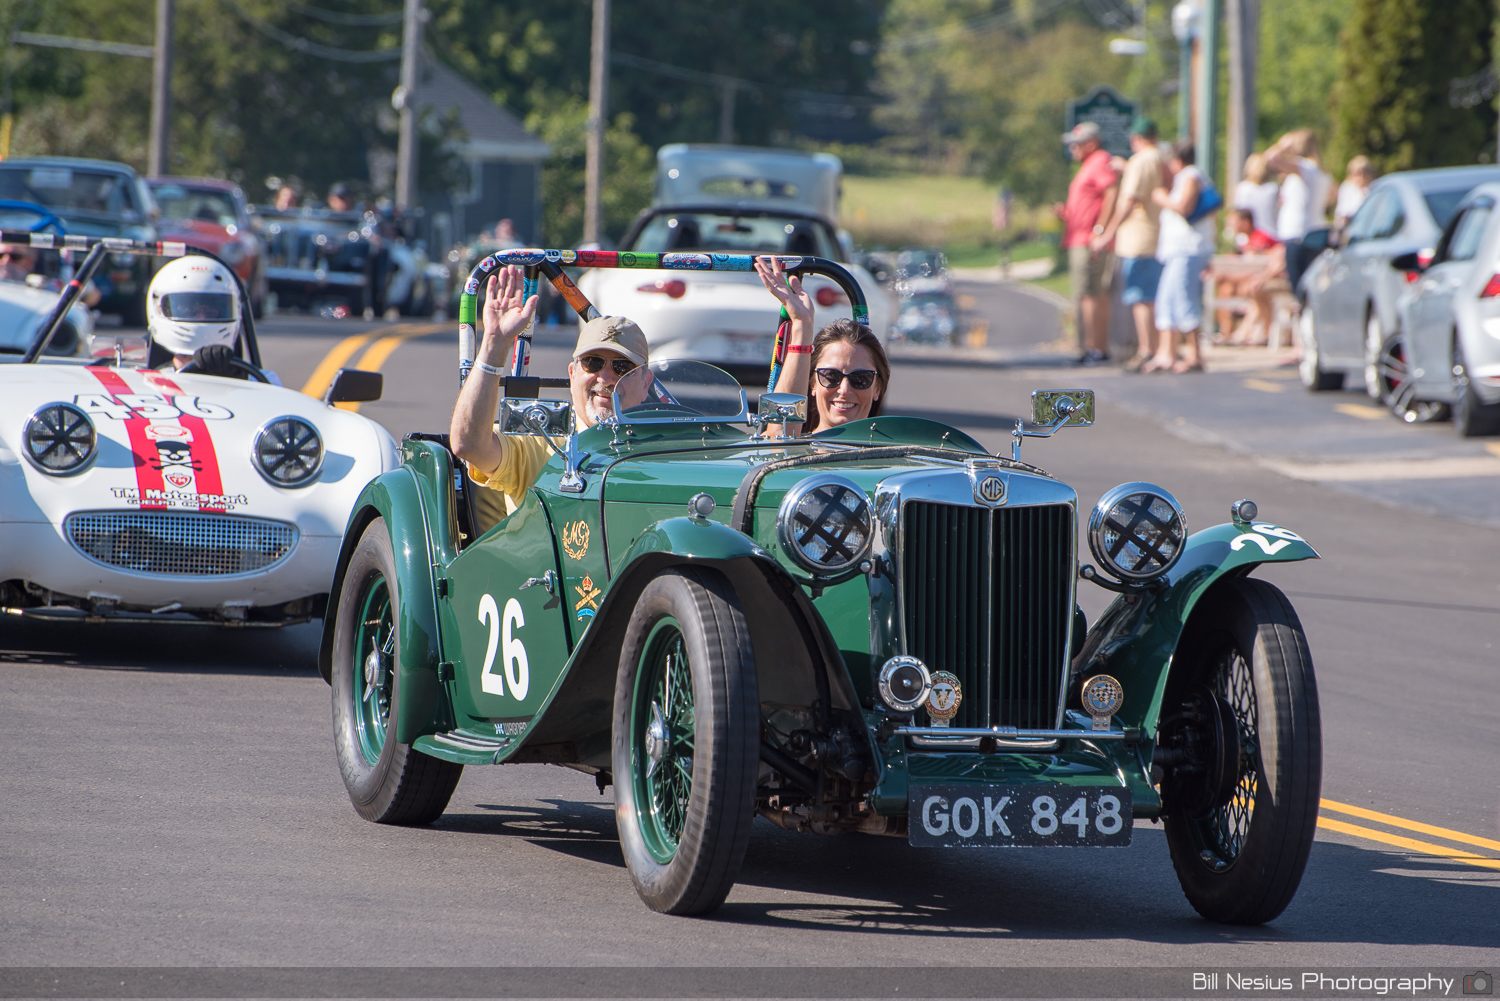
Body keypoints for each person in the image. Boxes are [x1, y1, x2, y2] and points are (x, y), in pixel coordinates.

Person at [451, 264, 649, 518]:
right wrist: (494, 344)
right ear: (573, 373)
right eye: (593, 363)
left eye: (623, 367)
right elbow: (469, 445)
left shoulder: (666, 446)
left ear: (646, 383)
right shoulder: (540, 441)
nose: (606, 377)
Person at [754, 256, 890, 434]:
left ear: (877, 388)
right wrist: (802, 325)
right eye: (830, 376)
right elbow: (780, 438)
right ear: (813, 385)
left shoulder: (895, 457)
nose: (844, 389)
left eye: (861, 378)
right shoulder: (792, 451)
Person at [1093, 117, 1165, 371]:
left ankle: (1147, 350)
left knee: (1140, 298)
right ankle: (1158, 348)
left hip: (1139, 239)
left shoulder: (1141, 161)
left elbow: (1130, 200)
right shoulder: (1161, 157)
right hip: (1158, 236)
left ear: (1136, 139)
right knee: (1153, 297)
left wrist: (1108, 232)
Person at [1144, 140, 1216, 374]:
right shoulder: (1185, 177)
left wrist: (1161, 198)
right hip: (1177, 250)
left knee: (1184, 299)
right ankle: (1166, 353)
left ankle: (1195, 354)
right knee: (1167, 299)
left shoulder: (1191, 175)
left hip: (1188, 249)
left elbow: (1184, 207)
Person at [1054, 121, 1120, 365]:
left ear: (1090, 144)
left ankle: (1095, 348)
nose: (1072, 149)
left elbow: (1111, 192)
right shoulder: (1086, 166)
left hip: (1089, 240)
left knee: (1090, 294)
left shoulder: (1100, 160)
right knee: (1087, 294)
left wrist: (1100, 230)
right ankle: (1089, 347)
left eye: (1076, 144)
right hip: (1079, 236)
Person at [145, 256, 246, 377]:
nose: (202, 318)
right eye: (190, 310)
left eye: (211, 311)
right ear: (159, 308)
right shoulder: (145, 383)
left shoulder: (258, 381)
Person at [1265, 129, 1332, 294]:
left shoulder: (1306, 168)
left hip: (1299, 235)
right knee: (1311, 286)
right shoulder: (1320, 172)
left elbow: (1270, 158)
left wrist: (1282, 145)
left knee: (1300, 289)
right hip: (1313, 230)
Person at [1212, 209, 1286, 346]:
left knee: (1253, 290)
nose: (1230, 225)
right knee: (1226, 289)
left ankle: (1246, 332)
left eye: (1233, 221)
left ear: (1245, 223)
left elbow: (1259, 267)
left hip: (1271, 278)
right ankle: (1227, 331)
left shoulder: (1260, 238)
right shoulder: (1244, 240)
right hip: (1257, 279)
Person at [1233, 152, 1279, 237]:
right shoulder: (1273, 188)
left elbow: (1237, 214)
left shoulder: (1243, 188)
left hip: (1246, 236)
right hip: (1270, 235)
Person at [1335, 155, 1376, 229]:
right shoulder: (1347, 188)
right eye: (1358, 173)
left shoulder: (1373, 189)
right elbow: (1342, 213)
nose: (1361, 177)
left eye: (1365, 173)